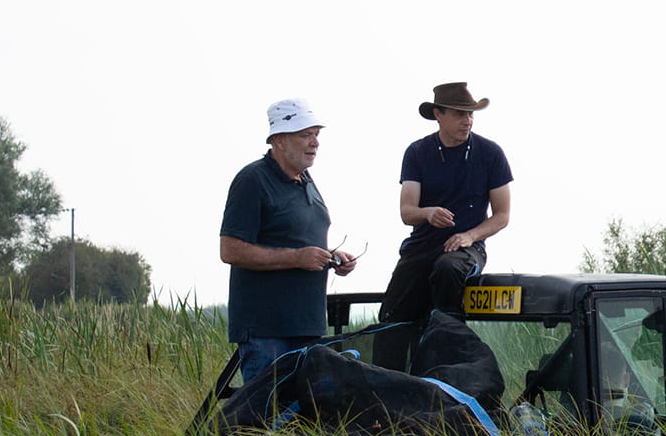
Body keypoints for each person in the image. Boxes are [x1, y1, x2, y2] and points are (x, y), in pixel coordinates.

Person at [376, 82, 515, 372]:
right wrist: (427, 214)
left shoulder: (490, 153)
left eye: (471, 114)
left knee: (449, 269)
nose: (468, 120)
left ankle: (448, 364)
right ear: (438, 114)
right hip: (422, 246)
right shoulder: (417, 152)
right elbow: (407, 212)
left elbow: (502, 216)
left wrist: (470, 235)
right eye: (459, 114)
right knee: (391, 318)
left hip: (468, 248)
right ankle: (383, 393)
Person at [219, 98, 359, 383]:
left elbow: (298, 240)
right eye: (305, 135)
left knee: (304, 421)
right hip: (266, 330)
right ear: (280, 141)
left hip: (307, 325)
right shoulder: (252, 180)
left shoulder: (307, 180)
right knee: (266, 417)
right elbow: (230, 249)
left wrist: (332, 256)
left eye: (316, 134)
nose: (314, 142)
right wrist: (296, 258)